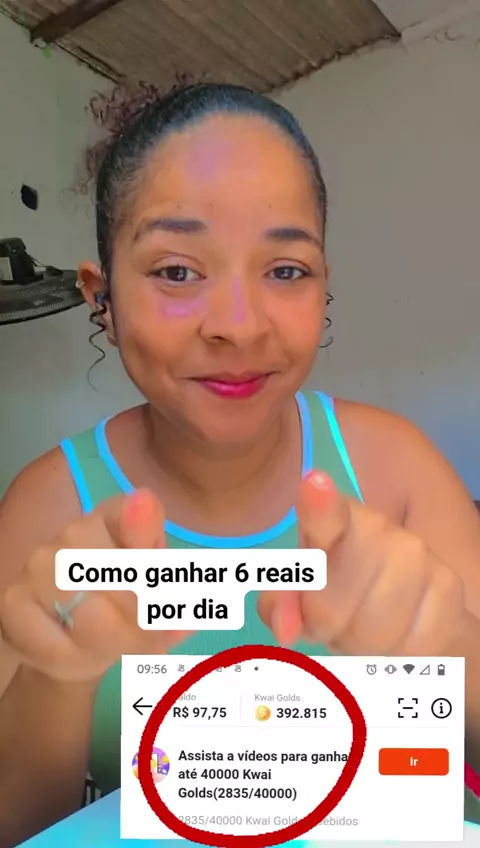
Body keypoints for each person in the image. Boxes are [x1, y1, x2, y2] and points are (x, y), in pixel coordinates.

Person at [0, 81, 479, 846]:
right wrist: (59, 674)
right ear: (102, 298)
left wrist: (453, 647)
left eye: (285, 270)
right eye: (176, 270)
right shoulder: (47, 509)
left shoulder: (396, 469)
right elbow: (24, 827)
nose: (238, 326)